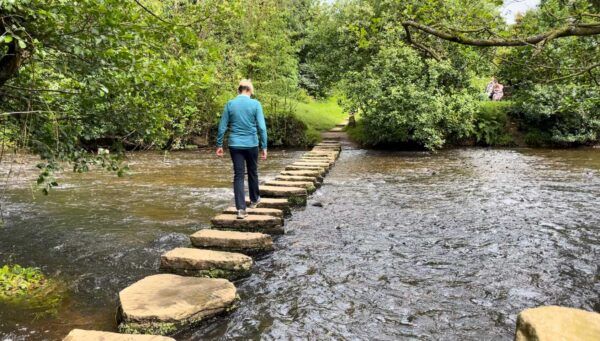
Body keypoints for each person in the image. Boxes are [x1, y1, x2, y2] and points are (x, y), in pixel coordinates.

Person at [216, 79, 268, 219]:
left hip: (235, 144)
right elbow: (262, 128)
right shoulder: (255, 104)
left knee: (238, 175)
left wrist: (219, 145)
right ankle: (254, 199)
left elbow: (222, 126)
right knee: (252, 171)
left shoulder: (230, 104)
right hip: (251, 144)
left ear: (239, 90)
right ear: (249, 90)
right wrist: (264, 146)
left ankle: (240, 209)